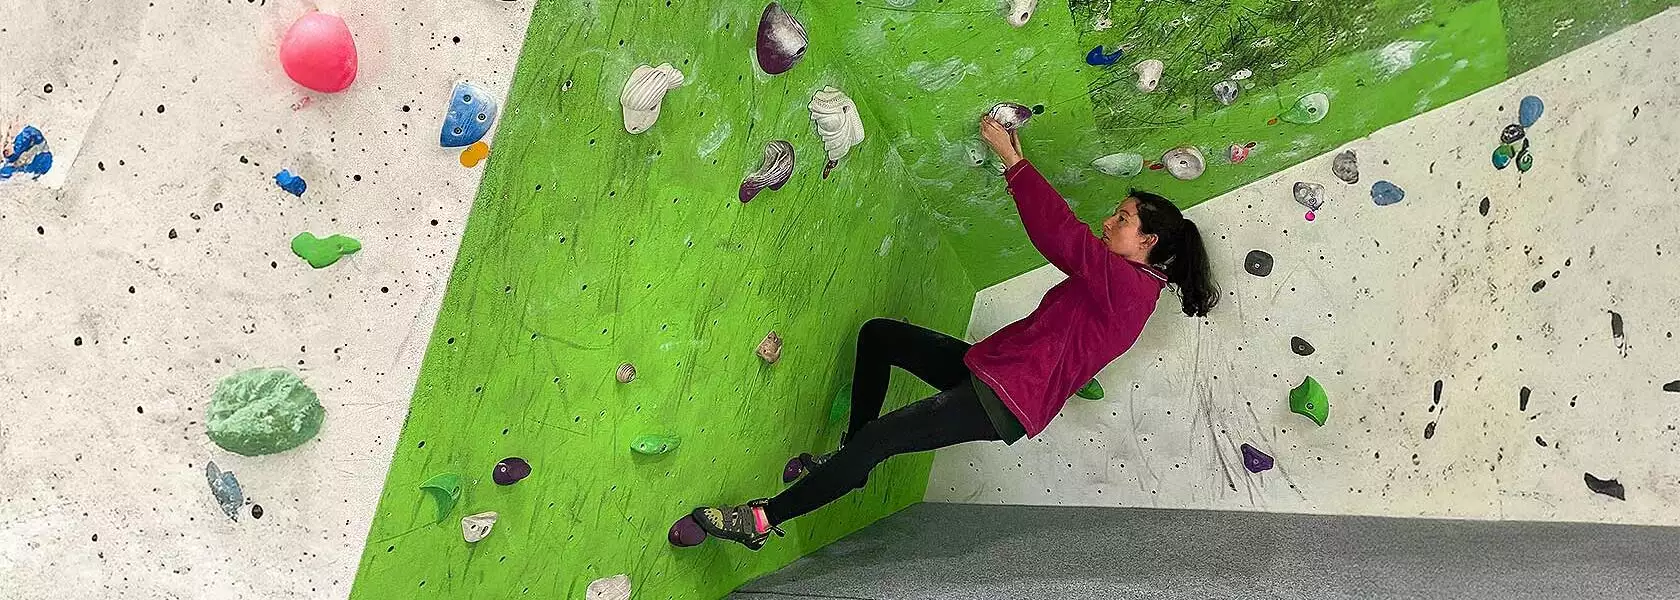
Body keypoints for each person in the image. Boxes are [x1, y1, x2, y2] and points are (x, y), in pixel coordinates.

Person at [687, 115, 1219, 550]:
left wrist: (1013, 159)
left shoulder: (1131, 288)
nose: (1109, 222)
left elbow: (1062, 236)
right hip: (994, 372)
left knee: (880, 440)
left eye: (1122, 219)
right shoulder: (1121, 282)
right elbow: (1072, 251)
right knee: (880, 337)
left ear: (1147, 241)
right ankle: (850, 458)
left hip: (1005, 400)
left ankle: (760, 521)